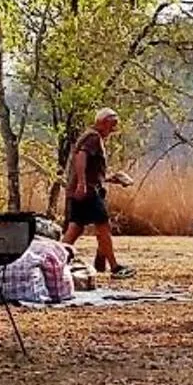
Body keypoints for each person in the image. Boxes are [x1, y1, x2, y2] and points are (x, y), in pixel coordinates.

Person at [62, 109, 135, 279]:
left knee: (75, 228)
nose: (113, 129)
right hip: (88, 192)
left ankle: (56, 262)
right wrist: (82, 184)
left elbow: (91, 170)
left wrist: (113, 178)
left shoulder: (92, 137)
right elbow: (81, 157)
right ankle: (115, 267)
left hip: (84, 189)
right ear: (103, 122)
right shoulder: (92, 137)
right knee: (103, 227)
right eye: (112, 124)